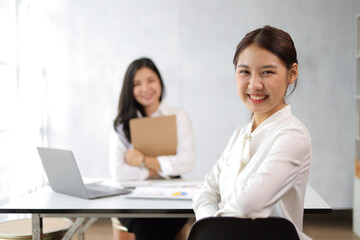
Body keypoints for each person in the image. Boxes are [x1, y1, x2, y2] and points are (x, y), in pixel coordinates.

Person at [192, 25, 312, 240]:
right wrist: (211, 225)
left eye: (267, 72)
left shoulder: (293, 135)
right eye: (245, 72)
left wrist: (212, 226)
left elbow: (249, 207)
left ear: (292, 73)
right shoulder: (241, 134)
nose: (254, 84)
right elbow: (205, 191)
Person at [109, 57, 195, 240]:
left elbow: (187, 162)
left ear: (160, 82)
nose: (146, 88)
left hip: (172, 194)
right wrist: (157, 170)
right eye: (137, 83)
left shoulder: (178, 116)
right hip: (132, 196)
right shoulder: (122, 124)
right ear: (129, 89)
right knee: (145, 222)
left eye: (150, 81)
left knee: (156, 222)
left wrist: (142, 161)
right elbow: (119, 173)